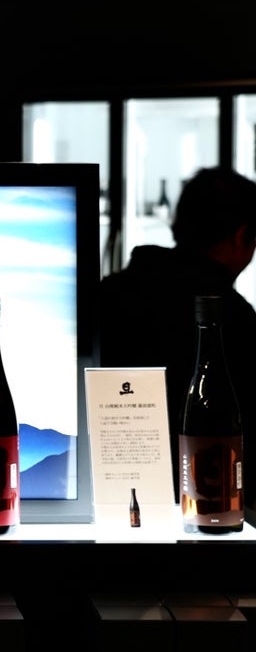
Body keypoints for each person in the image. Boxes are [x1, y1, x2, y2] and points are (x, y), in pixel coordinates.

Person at [98, 167, 256, 491]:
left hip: (107, 489)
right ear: (242, 236)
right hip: (206, 495)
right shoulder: (233, 316)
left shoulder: (107, 293)